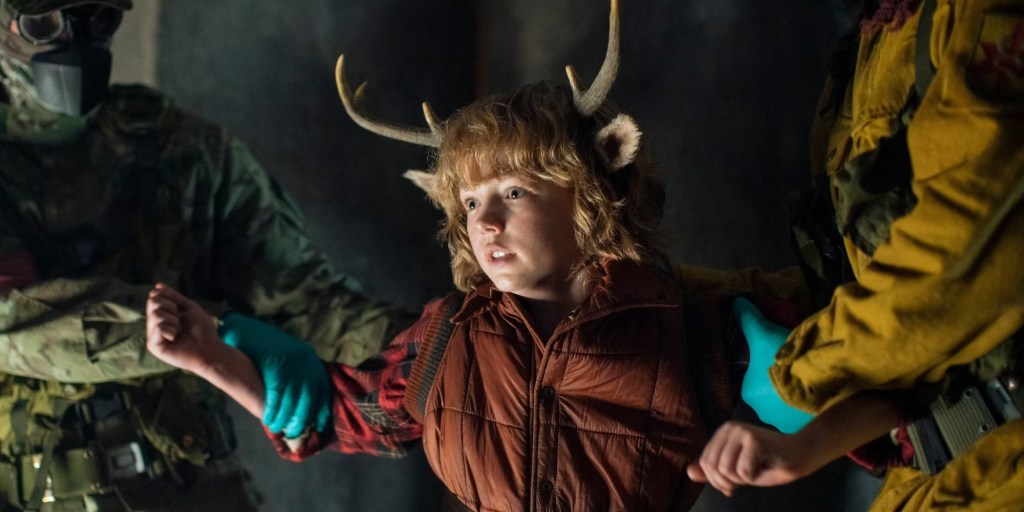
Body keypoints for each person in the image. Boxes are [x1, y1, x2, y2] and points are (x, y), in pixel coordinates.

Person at [144, 1, 813, 509]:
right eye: (469, 201)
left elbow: (853, 394)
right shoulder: (445, 339)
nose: (485, 221)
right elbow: (346, 413)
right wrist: (210, 357)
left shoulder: (701, 332)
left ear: (588, 189)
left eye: (515, 191)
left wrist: (797, 446)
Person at [0, 0, 413, 510]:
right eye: (45, 23)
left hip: (196, 485)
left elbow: (303, 299)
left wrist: (432, 348)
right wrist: (208, 334)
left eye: (97, 17)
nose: (75, 42)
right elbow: (14, 320)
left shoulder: (173, 146)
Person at [688, 0, 1024, 509]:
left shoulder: (973, 14)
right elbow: (855, 286)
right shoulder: (868, 49)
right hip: (937, 473)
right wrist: (653, 294)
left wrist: (798, 375)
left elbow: (956, 266)